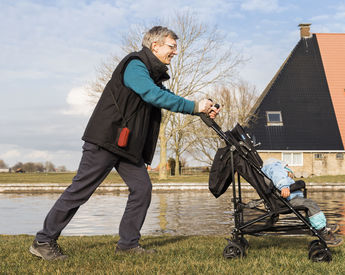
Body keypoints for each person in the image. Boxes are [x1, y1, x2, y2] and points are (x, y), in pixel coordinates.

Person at [29, 26, 220, 261]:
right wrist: (193, 106)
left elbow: (166, 97)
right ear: (155, 46)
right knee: (80, 190)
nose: (175, 52)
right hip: (106, 139)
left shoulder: (151, 73)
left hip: (127, 146)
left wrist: (201, 110)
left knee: (142, 189)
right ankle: (44, 240)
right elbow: (153, 95)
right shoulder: (135, 65)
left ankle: (128, 244)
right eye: (172, 46)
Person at [262, 158, 343, 247]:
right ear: (284, 166)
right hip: (288, 200)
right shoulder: (275, 166)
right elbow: (278, 176)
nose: (291, 174)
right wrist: (284, 186)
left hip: (289, 198)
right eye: (288, 169)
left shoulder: (272, 168)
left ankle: (324, 226)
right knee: (310, 205)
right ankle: (322, 231)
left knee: (310, 205)